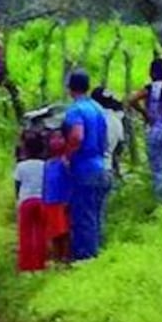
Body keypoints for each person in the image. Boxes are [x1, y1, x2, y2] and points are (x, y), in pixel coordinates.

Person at [61, 70, 109, 261]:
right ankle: (98, 256)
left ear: (70, 88)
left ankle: (85, 259)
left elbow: (77, 136)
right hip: (101, 166)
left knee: (83, 218)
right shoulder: (97, 108)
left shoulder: (76, 110)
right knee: (96, 217)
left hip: (84, 169)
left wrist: (67, 155)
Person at [129, 58, 162, 203]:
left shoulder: (150, 88)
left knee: (159, 170)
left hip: (155, 130)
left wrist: (145, 114)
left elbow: (131, 99)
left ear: (151, 73)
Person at [14, 130, 48, 272]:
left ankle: (26, 265)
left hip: (26, 201)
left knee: (26, 233)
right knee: (41, 232)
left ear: (25, 149)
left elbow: (17, 185)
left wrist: (18, 200)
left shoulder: (21, 166)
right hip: (42, 200)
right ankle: (40, 263)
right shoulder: (45, 165)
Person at [43, 132, 71, 263]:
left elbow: (69, 181)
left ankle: (65, 257)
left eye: (60, 137)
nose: (56, 141)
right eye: (53, 138)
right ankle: (56, 258)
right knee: (53, 231)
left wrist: (67, 199)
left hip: (62, 201)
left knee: (64, 231)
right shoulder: (48, 164)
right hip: (50, 201)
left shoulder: (66, 161)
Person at [91, 87, 127, 181]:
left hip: (90, 168)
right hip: (107, 168)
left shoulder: (92, 118)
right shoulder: (116, 120)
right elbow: (119, 148)